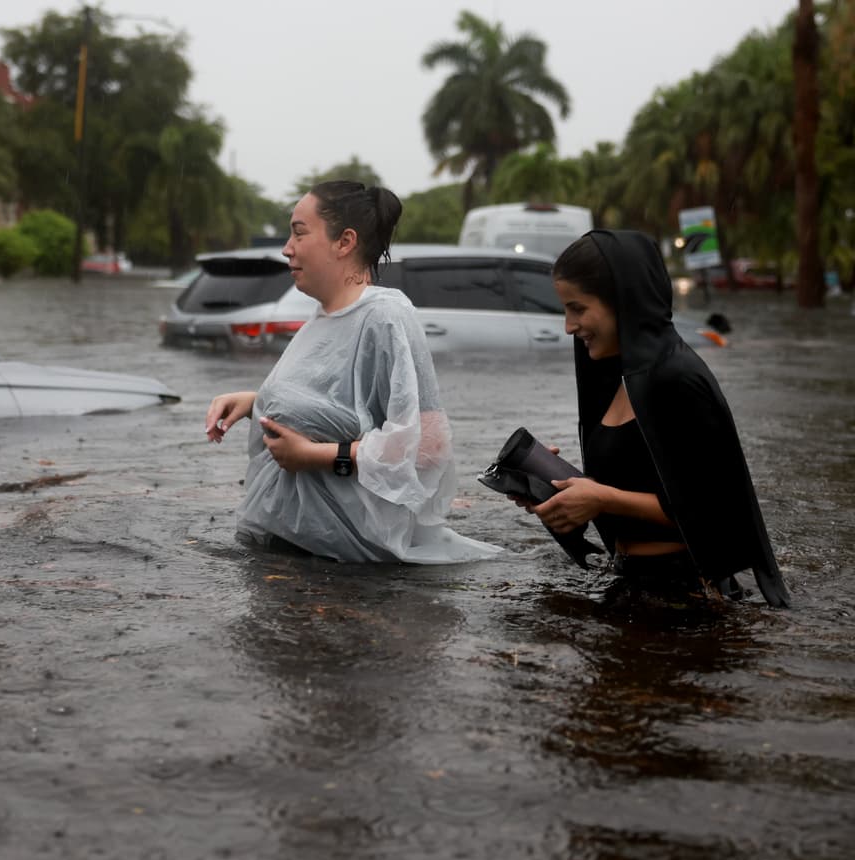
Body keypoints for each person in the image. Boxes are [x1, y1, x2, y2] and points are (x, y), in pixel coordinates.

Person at [205, 180, 500, 564]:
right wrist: (254, 402)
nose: (286, 248)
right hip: (289, 552)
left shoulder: (385, 316)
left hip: (348, 568)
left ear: (344, 242)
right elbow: (333, 406)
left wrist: (318, 456)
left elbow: (429, 448)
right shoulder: (321, 317)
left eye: (299, 233)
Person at [518, 230, 789, 607]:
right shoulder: (620, 378)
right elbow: (640, 481)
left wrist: (602, 498)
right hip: (630, 583)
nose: (568, 326)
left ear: (622, 301)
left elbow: (715, 513)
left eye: (578, 308)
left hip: (686, 598)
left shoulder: (678, 379)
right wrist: (557, 491)